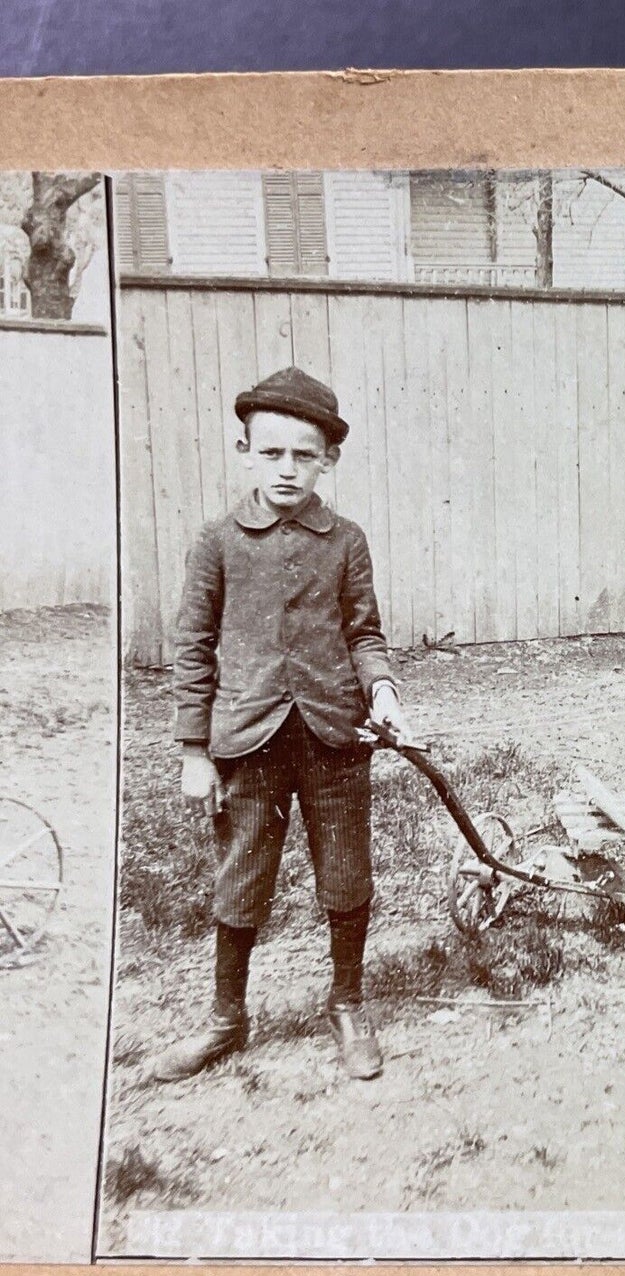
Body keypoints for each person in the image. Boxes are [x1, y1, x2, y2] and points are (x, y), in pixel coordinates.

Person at [155, 366, 413, 1084]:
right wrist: (192, 749)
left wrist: (383, 690)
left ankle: (346, 1003)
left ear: (328, 459)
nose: (288, 469)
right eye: (271, 453)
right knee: (242, 875)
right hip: (248, 740)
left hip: (335, 737)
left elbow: (364, 633)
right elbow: (192, 647)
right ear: (245, 452)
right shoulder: (218, 542)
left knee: (344, 873)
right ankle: (226, 1018)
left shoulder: (345, 541)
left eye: (305, 454)